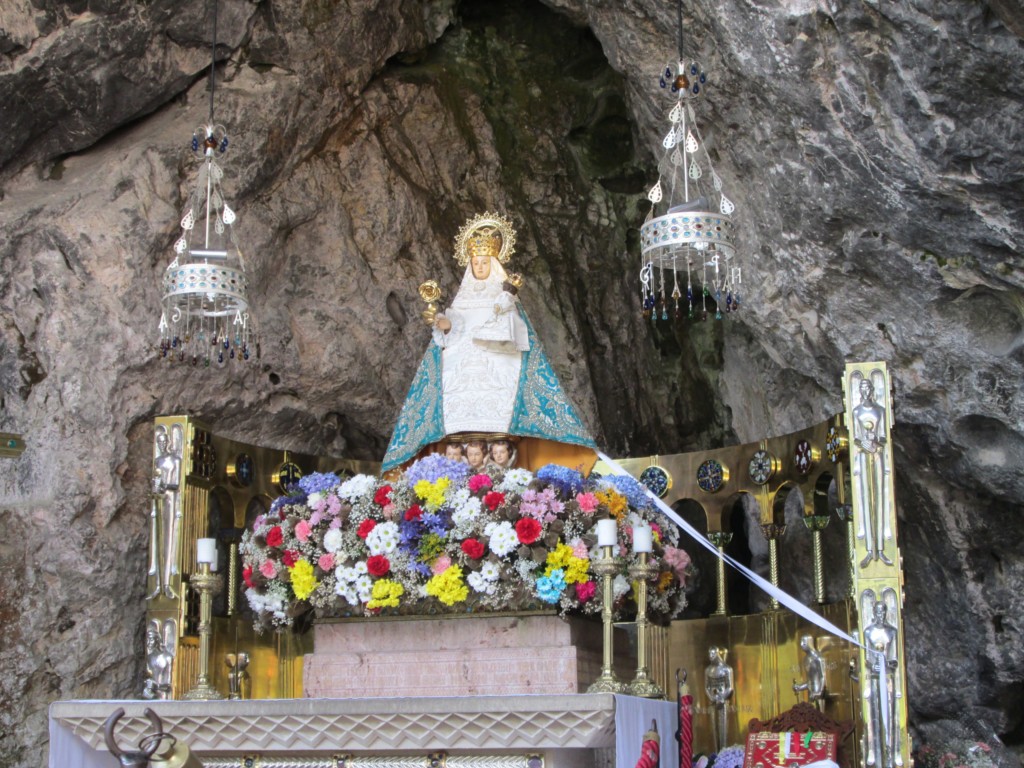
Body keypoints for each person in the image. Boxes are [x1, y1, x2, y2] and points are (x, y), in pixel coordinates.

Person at [382, 213, 596, 472]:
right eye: (475, 262)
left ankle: (501, 456)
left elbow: (516, 333)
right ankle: (457, 457)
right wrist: (440, 322)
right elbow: (454, 329)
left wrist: (504, 306)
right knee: (454, 408)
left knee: (501, 412)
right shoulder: (462, 300)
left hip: (498, 367)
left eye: (484, 262)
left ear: (493, 263)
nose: (480, 266)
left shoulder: (504, 296)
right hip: (462, 372)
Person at [852, 376, 892, 567]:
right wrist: (863, 444)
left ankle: (881, 550)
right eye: (862, 387)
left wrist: (875, 443)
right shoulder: (856, 411)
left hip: (877, 455)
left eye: (868, 387)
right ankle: (869, 550)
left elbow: (884, 435)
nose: (865, 390)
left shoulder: (881, 410)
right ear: (859, 391)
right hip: (863, 455)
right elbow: (855, 438)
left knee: (880, 501)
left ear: (872, 390)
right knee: (865, 501)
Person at [792, 635, 826, 710]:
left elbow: (822, 677)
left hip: (819, 695)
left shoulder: (818, 658)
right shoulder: (806, 659)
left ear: (810, 642)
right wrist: (799, 687)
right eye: (801, 642)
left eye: (804, 641)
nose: (801, 644)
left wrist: (819, 692)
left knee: (820, 717)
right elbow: (809, 682)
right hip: (811, 695)